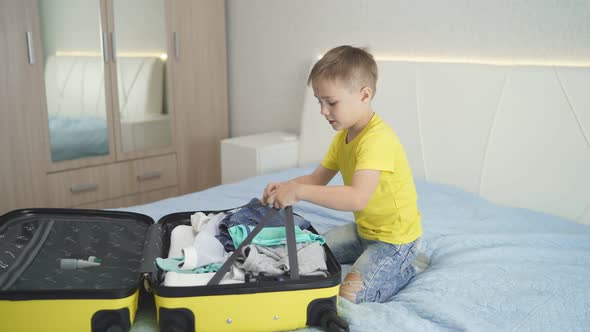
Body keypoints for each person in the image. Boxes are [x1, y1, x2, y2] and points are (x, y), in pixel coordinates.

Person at [262, 45, 422, 303]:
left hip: (395, 242)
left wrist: (300, 192)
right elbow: (316, 179)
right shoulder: (343, 137)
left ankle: (406, 269)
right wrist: (286, 186)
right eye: (319, 102)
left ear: (364, 95)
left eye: (331, 102)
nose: (323, 111)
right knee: (309, 250)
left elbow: (357, 198)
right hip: (364, 232)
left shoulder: (377, 140)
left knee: (348, 296)